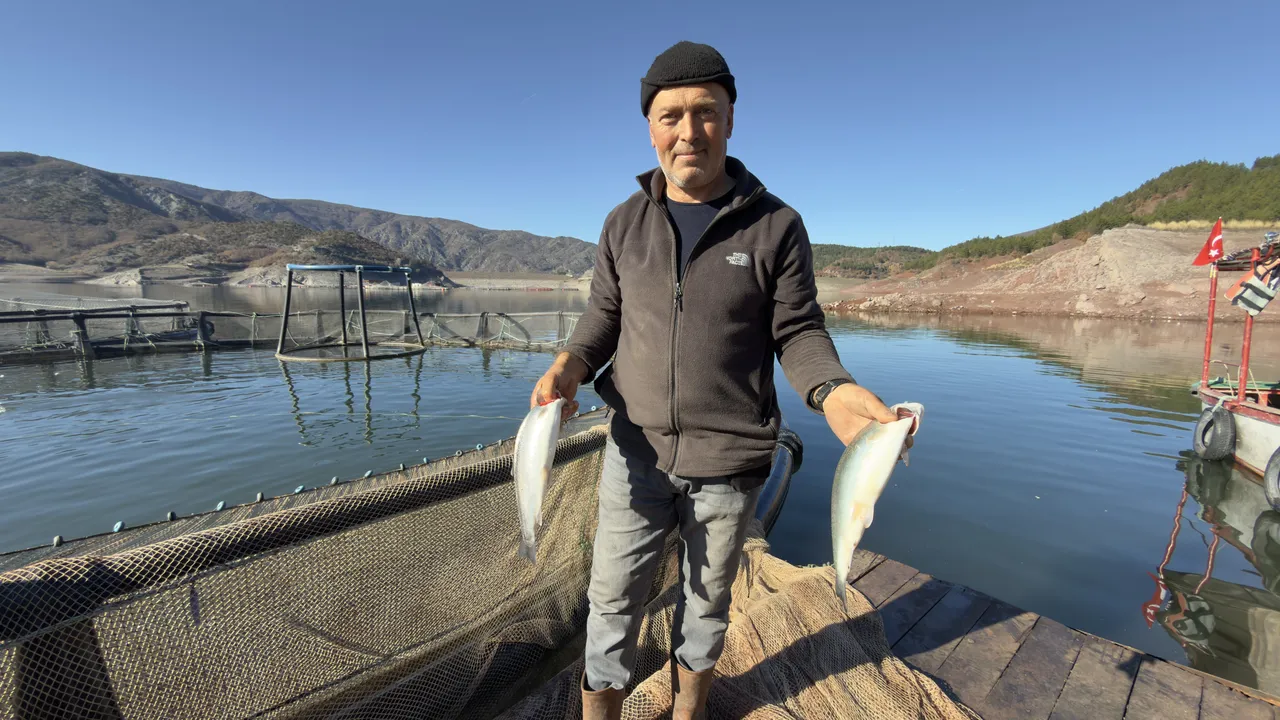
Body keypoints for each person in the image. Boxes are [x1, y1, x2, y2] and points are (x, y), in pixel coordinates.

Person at [531, 40, 903, 720]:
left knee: (705, 609)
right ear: (650, 127)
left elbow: (798, 331)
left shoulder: (777, 226)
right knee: (611, 604)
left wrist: (833, 392)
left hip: (731, 463)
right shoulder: (623, 224)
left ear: (731, 118)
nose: (689, 131)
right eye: (670, 116)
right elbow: (603, 317)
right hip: (635, 454)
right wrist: (570, 363)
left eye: (705, 111)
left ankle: (689, 713)